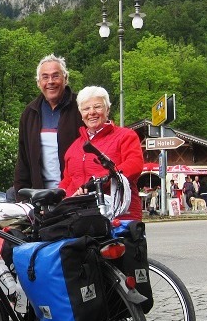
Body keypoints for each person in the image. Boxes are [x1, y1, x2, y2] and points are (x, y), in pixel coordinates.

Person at [58, 86, 144, 220]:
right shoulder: (74, 147)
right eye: (86, 109)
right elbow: (68, 180)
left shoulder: (126, 136)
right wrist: (59, 196)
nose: (92, 112)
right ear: (81, 114)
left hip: (118, 213)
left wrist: (99, 180)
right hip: (81, 215)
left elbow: (134, 165)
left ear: (107, 110)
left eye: (97, 107)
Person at [13, 54, 84, 199]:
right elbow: (23, 160)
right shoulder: (29, 113)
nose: (50, 82)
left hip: (76, 194)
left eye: (55, 76)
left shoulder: (81, 107)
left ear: (65, 79)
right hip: (42, 196)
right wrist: (21, 197)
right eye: (45, 77)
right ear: (39, 83)